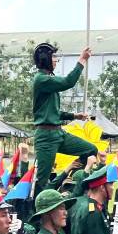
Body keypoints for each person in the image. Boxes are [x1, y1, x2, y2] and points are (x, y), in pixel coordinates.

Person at [31, 43, 96, 196]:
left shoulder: (48, 80)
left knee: (90, 150)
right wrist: (82, 60)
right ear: (45, 59)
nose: (56, 60)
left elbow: (54, 113)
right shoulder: (41, 80)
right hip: (46, 137)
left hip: (58, 133)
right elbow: (68, 82)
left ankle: (71, 184)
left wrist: (75, 116)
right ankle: (40, 206)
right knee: (42, 182)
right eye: (53, 57)